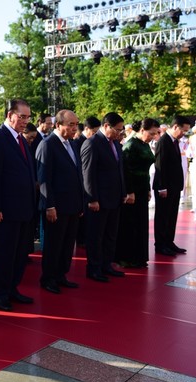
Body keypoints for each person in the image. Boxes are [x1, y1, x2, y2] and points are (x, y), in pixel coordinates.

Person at [0, 99, 37, 311]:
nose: (25, 121)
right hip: (4, 211)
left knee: (20, 254)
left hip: (24, 209)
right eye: (21, 116)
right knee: (5, 254)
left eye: (28, 117)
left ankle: (13, 288)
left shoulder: (21, 140)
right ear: (9, 115)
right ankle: (1, 293)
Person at [35, 109, 83, 294]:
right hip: (56, 206)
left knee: (67, 244)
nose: (74, 128)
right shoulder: (48, 145)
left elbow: (78, 174)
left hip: (72, 205)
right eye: (70, 124)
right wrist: (50, 205)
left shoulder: (72, 144)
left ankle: (61, 275)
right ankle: (48, 278)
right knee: (54, 244)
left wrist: (80, 202)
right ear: (58, 125)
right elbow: (44, 178)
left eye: (76, 124)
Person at [81, 112, 127, 282]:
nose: (119, 133)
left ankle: (107, 265)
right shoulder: (92, 143)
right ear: (106, 126)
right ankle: (94, 268)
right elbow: (88, 174)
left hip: (114, 197)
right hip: (99, 199)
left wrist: (123, 192)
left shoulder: (115, 143)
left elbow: (119, 170)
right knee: (96, 236)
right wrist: (92, 198)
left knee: (110, 235)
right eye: (117, 129)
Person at [115, 118, 159, 268]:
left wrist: (147, 189)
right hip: (132, 189)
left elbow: (145, 170)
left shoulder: (144, 144)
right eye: (151, 133)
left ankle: (139, 257)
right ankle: (127, 257)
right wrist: (130, 191)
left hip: (142, 188)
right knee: (130, 224)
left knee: (141, 224)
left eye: (155, 133)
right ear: (142, 130)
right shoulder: (131, 145)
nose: (153, 136)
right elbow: (126, 171)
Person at [153, 116, 191, 257]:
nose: (184, 134)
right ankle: (161, 245)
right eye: (183, 130)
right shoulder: (164, 141)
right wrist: (162, 187)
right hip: (165, 187)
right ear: (175, 127)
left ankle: (169, 242)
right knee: (163, 216)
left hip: (174, 186)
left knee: (171, 215)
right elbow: (160, 166)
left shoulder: (174, 141)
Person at [74, 116, 100, 248]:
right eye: (94, 132)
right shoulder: (79, 141)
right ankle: (81, 239)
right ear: (87, 129)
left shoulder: (92, 141)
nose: (95, 135)